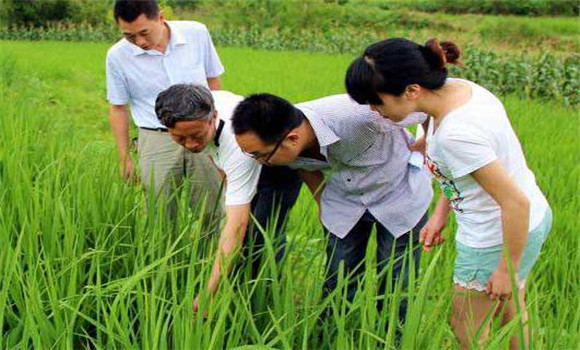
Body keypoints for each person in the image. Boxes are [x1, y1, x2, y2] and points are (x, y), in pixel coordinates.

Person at [345, 37, 551, 349]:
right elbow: (462, 173)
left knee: (465, 326)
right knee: (512, 312)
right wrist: (440, 215)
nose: (375, 111)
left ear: (412, 90)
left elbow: (514, 203)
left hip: (496, 235)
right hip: (534, 217)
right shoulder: (458, 89)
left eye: (379, 102)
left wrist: (505, 268)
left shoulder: (457, 134)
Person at [232, 92, 432, 324]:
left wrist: (427, 143)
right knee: (338, 278)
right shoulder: (282, 136)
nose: (258, 162)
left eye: (260, 156)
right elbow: (303, 165)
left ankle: (395, 338)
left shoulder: (359, 114)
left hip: (398, 196)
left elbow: (427, 105)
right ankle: (332, 334)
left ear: (293, 139)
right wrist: (323, 204)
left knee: (398, 279)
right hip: (345, 201)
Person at [154, 84, 302, 313]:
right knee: (241, 231)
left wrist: (207, 294)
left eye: (197, 136)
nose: (191, 144)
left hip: (277, 162)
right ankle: (235, 284)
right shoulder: (196, 104)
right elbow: (216, 157)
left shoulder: (236, 144)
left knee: (261, 235)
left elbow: (237, 226)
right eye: (180, 139)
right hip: (243, 156)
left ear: (213, 117)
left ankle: (259, 298)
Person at [106, 0, 223, 217]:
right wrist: (124, 158)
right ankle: (163, 252)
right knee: (159, 211)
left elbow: (213, 81)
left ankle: (214, 252)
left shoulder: (196, 33)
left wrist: (218, 131)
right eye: (129, 36)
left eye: (144, 33)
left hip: (202, 132)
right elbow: (118, 107)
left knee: (213, 207)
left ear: (161, 17)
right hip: (156, 137)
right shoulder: (117, 56)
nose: (139, 42)